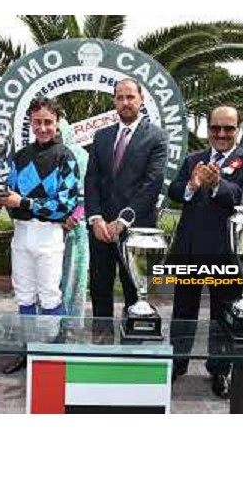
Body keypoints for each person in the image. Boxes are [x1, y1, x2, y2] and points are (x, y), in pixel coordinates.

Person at [168, 105, 243, 398]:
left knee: (222, 315)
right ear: (208, 128)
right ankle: (177, 363)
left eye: (228, 128)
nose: (221, 134)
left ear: (238, 129)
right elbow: (174, 193)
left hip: (227, 252)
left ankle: (219, 370)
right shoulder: (193, 160)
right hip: (190, 249)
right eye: (215, 128)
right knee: (183, 311)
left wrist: (217, 185)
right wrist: (191, 184)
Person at [0, 97, 79, 374]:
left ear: (57, 124)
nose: (42, 127)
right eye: (38, 122)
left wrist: (25, 203)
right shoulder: (19, 156)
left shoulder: (66, 156)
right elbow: (8, 192)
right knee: (24, 295)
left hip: (49, 235)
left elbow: (65, 205)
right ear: (30, 122)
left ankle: (53, 353)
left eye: (48, 122)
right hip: (21, 234)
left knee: (50, 295)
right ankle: (27, 351)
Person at [85, 78, 168, 334]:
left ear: (141, 100)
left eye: (130, 97)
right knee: (100, 287)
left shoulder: (156, 137)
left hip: (136, 230)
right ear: (114, 102)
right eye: (120, 97)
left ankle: (133, 346)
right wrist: (96, 218)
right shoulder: (101, 136)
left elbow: (151, 185)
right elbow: (92, 180)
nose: (125, 103)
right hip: (101, 231)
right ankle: (102, 340)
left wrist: (122, 221)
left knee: (135, 290)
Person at [58, 114, 90, 321]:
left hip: (75, 230)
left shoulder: (82, 157)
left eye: (60, 131)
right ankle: (41, 332)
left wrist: (72, 219)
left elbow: (89, 194)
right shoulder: (41, 154)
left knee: (72, 279)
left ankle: (69, 327)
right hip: (48, 228)